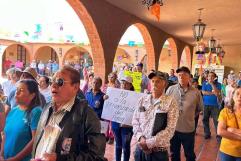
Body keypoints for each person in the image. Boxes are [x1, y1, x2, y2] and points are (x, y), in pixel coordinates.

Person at [32, 66, 106, 161]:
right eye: (52, 82)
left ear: (75, 87)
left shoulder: (87, 115)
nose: (53, 86)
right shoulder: (47, 108)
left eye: (60, 82)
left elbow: (96, 156)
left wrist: (59, 159)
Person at [132, 71, 179, 161]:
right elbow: (135, 121)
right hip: (140, 149)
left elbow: (170, 129)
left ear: (164, 84)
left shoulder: (170, 102)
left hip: (158, 153)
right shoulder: (142, 100)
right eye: (153, 81)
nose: (154, 84)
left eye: (158, 81)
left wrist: (148, 144)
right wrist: (140, 138)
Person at [166, 66, 203, 161]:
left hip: (188, 129)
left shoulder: (196, 92)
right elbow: (165, 106)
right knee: (174, 154)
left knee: (190, 154)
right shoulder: (171, 89)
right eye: (179, 75)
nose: (181, 77)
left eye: (184, 75)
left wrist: (188, 116)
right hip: (173, 129)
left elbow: (199, 109)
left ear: (189, 77)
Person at [0, 79, 42, 161]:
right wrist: (1, 154)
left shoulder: (36, 112)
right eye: (17, 89)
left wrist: (15, 159)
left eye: (21, 90)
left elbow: (35, 140)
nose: (17, 93)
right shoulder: (13, 110)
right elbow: (5, 135)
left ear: (32, 95)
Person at [111, 76, 134, 161]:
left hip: (127, 126)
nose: (124, 85)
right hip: (116, 124)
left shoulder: (135, 97)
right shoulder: (115, 94)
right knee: (118, 145)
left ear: (130, 85)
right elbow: (109, 106)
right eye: (122, 83)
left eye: (126, 83)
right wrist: (106, 98)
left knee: (126, 146)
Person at [217, 86, 241, 161]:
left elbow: (224, 131)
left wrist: (231, 130)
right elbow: (220, 131)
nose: (240, 96)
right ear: (233, 96)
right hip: (226, 151)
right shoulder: (225, 111)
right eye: (237, 94)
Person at [202, 71, 222, 140]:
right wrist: (212, 93)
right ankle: (207, 133)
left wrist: (212, 84)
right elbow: (203, 92)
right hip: (205, 104)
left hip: (215, 105)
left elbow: (217, 93)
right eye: (209, 76)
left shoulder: (218, 84)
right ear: (207, 77)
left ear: (214, 77)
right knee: (205, 119)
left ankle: (218, 135)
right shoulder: (204, 83)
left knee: (216, 121)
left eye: (212, 76)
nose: (210, 77)